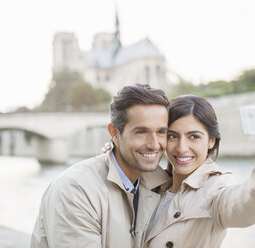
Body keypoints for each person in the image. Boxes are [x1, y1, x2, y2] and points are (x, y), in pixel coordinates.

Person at [142, 95, 255, 248]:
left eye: (194, 137)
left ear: (211, 141)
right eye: (172, 136)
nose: (182, 148)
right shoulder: (149, 184)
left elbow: (244, 205)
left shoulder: (215, 190)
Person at [30, 84, 172, 248]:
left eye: (161, 132)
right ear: (114, 133)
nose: (154, 144)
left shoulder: (160, 184)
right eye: (141, 132)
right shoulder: (75, 190)